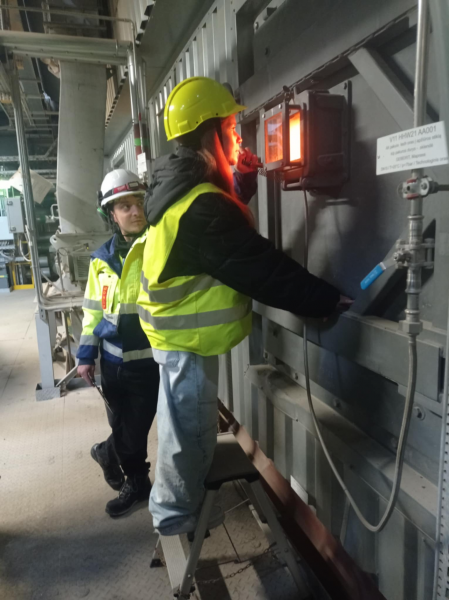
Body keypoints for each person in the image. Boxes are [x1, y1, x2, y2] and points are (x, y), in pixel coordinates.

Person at [137, 77, 351, 536]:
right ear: (210, 134)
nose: (238, 137)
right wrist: (324, 298)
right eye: (231, 128)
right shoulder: (201, 207)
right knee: (188, 431)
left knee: (182, 425)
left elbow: (218, 233)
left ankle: (173, 507)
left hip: (176, 334)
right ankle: (174, 517)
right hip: (185, 342)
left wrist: (245, 182)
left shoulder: (180, 187)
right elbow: (257, 266)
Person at [77, 168, 160, 518]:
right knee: (122, 425)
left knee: (134, 428)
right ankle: (137, 481)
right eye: (125, 206)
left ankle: (112, 457)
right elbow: (92, 311)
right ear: (112, 214)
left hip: (148, 362)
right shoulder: (101, 260)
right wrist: (85, 355)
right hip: (112, 363)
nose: (135, 211)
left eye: (139, 202)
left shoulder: (159, 246)